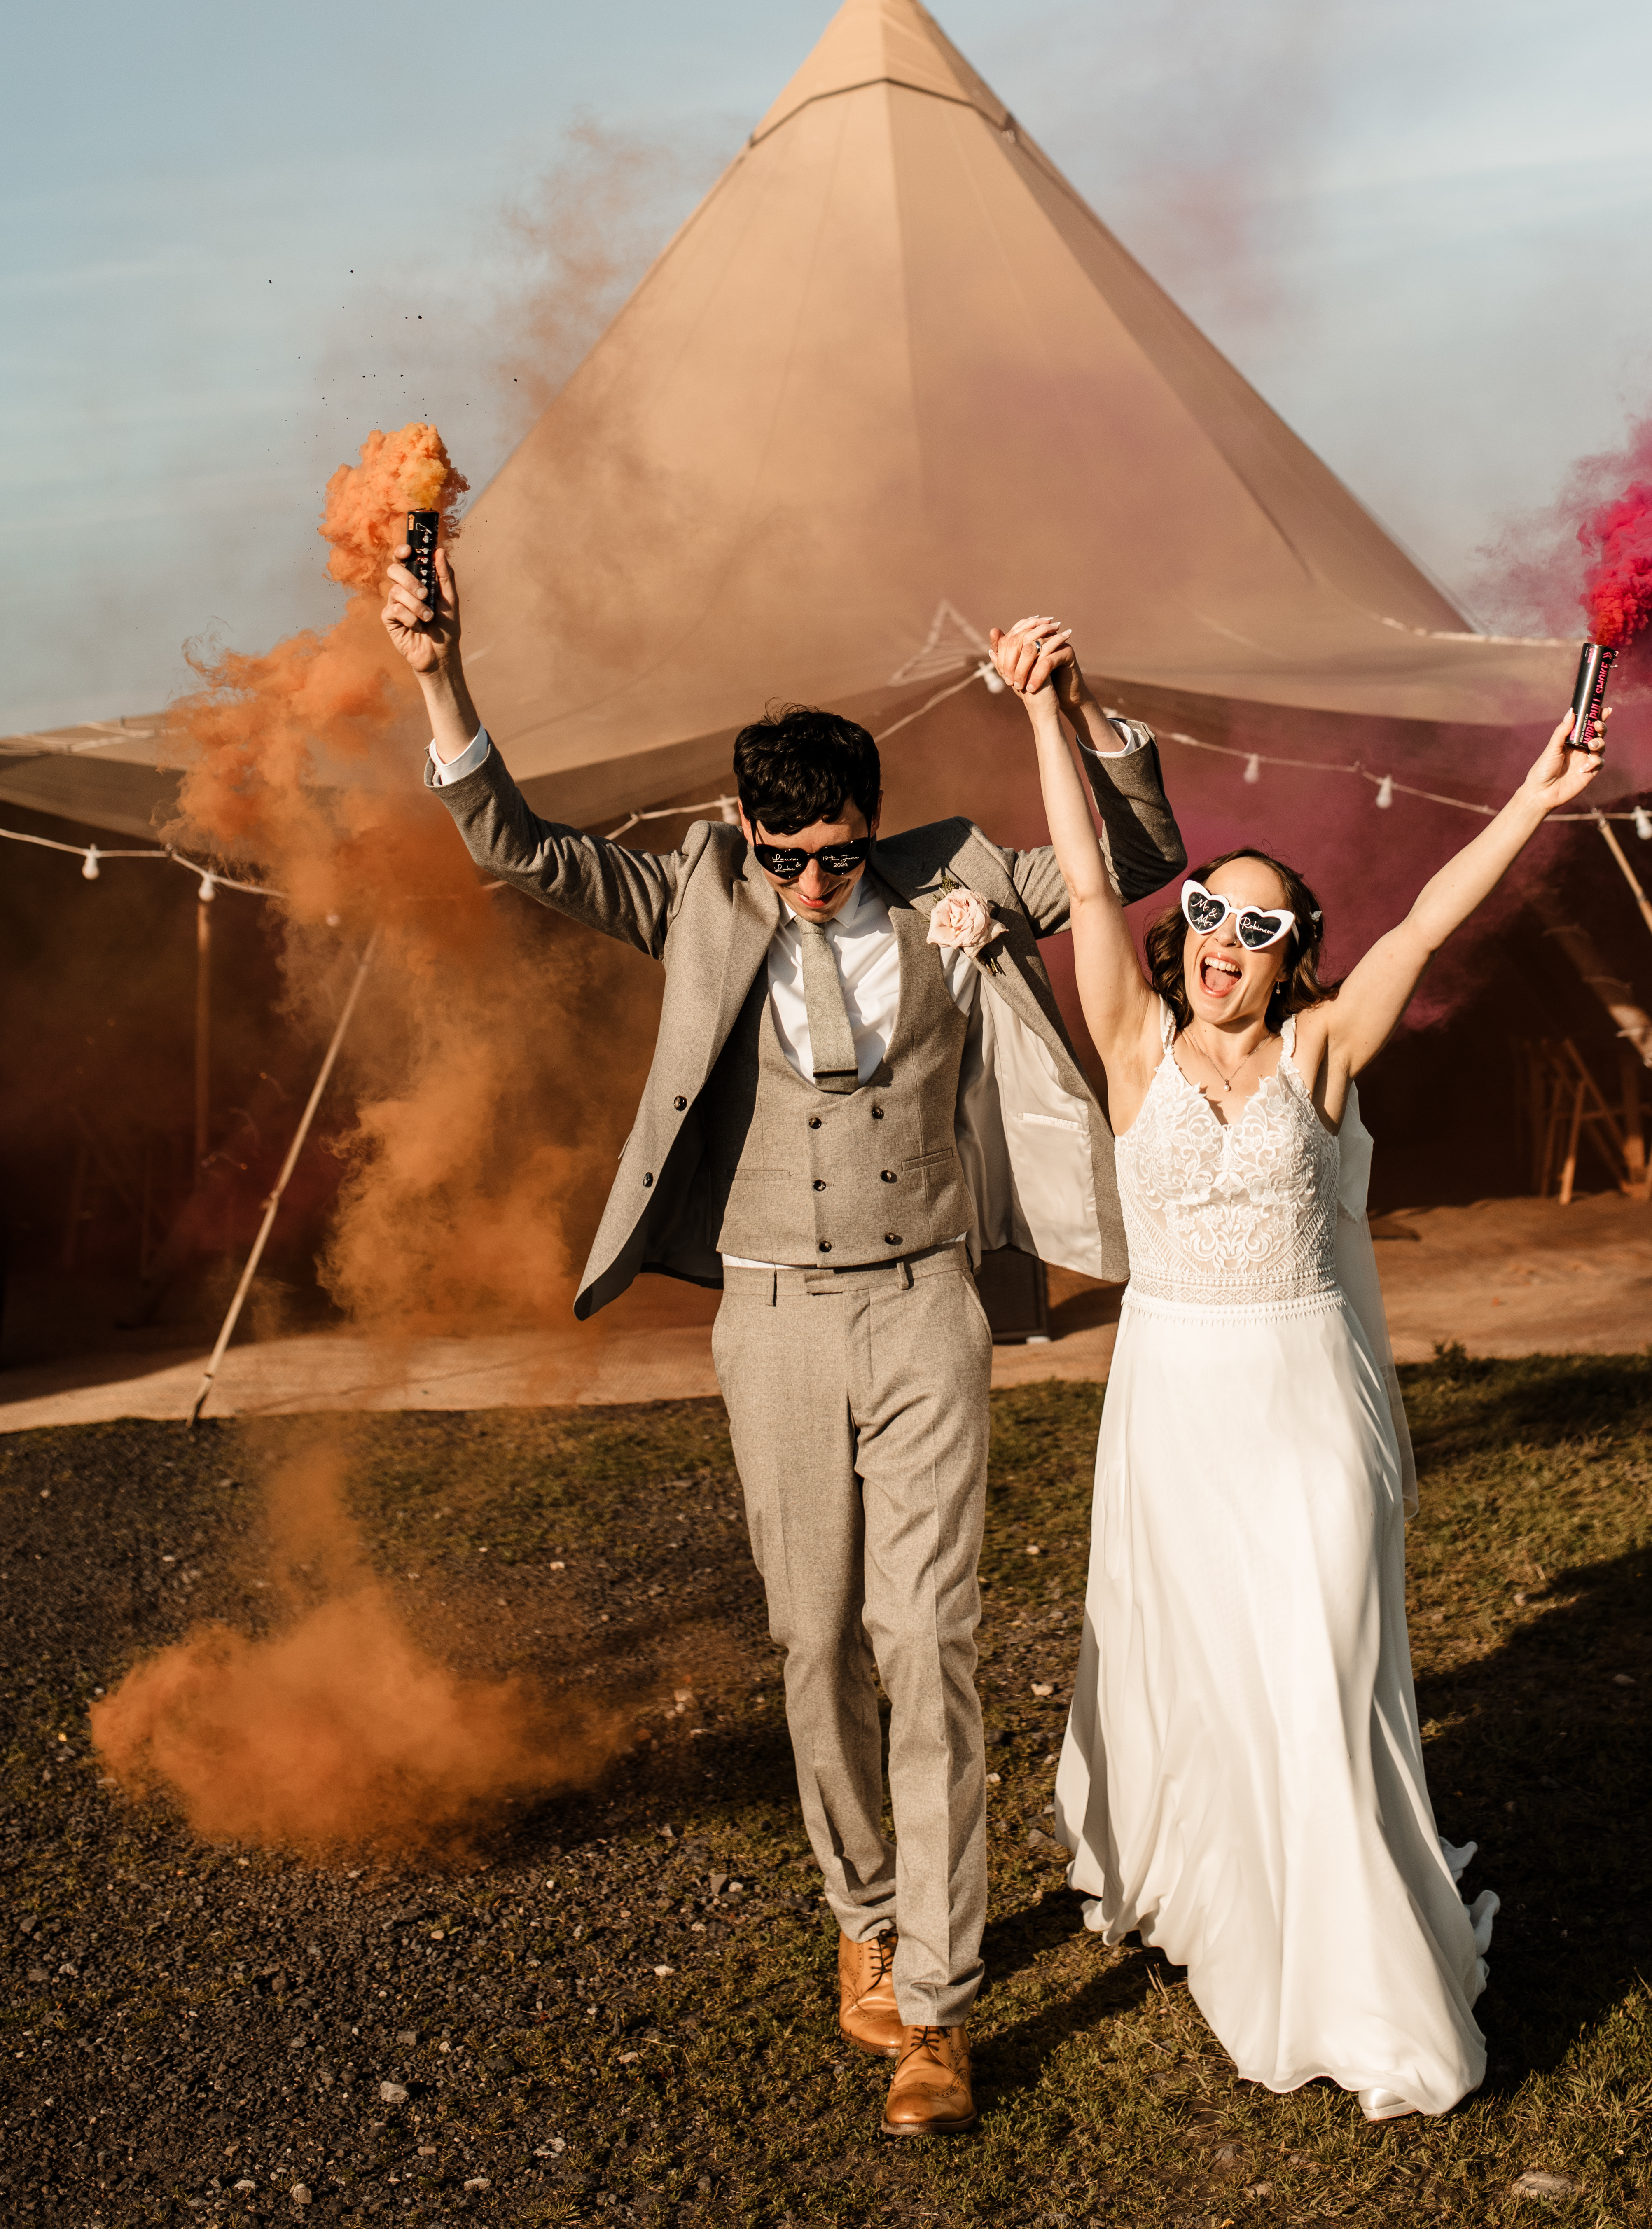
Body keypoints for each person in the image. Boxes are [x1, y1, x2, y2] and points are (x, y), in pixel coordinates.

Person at [381, 547, 1184, 2139]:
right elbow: (511, 842)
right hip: (769, 1315)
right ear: (747, 831)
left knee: (930, 1643)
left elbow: (1138, 853)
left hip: (927, 1302)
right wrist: (436, 670)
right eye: (791, 857)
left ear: (873, 826)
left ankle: (940, 2014)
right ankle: (863, 1916)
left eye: (842, 853)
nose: (818, 882)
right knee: (814, 1642)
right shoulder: (692, 887)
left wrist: (1078, 709)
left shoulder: (956, 867)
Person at [988, 614, 1605, 2122]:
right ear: (1182, 924)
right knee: (1206, 1668)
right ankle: (1230, 1903)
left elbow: (1422, 934)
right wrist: (1046, 715)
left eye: (1262, 929)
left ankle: (1355, 1967)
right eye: (1211, 910)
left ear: (1290, 961)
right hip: (1175, 1407)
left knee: (1324, 1668)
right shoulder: (1129, 1043)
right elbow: (1078, 880)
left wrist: (1534, 795)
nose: (1227, 942)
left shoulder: (1323, 1053)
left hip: (1309, 1399)